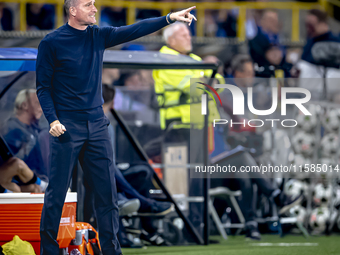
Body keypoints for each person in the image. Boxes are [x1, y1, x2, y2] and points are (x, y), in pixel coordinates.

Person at [35, 0, 197, 253]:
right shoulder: (51, 42)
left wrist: (168, 18)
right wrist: (52, 119)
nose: (95, 8)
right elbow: (43, 87)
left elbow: (135, 29)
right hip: (67, 126)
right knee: (57, 193)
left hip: (97, 124)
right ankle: (49, 250)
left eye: (95, 4)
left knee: (107, 194)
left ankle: (112, 250)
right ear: (73, 10)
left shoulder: (98, 36)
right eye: (88, 4)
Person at [2, 89, 47, 178]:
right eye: (38, 103)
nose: (42, 109)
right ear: (24, 105)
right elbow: (9, 162)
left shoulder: (34, 130)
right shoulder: (11, 129)